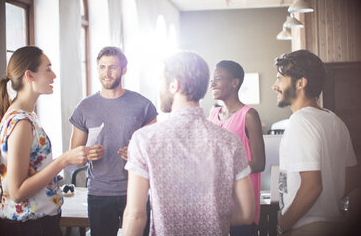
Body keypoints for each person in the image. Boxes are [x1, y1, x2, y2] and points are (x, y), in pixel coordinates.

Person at [122, 51, 255, 236]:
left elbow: (135, 216)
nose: (159, 87)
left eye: (161, 80)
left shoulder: (145, 140)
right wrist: (209, 218)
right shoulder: (230, 142)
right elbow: (247, 213)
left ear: (174, 85)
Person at [0, 46, 92, 236]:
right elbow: (18, 192)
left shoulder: (26, 116)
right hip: (31, 227)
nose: (54, 75)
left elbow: (33, 170)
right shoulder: (21, 122)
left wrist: (69, 158)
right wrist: (64, 160)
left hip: (37, 223)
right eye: (48, 69)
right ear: (30, 76)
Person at [69, 46, 157, 236]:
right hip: (99, 193)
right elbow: (75, 156)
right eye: (102, 67)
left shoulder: (143, 106)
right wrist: (87, 153)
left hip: (136, 190)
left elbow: (155, 153)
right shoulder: (85, 107)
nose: (106, 73)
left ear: (124, 70)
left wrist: (137, 155)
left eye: (112, 67)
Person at [272, 50, 358, 236]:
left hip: (307, 228)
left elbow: (312, 186)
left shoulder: (300, 121)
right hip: (334, 226)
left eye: (280, 78)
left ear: (301, 83)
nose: (274, 86)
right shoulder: (335, 120)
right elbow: (351, 179)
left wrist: (282, 225)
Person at [209, 60, 265, 236]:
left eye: (218, 79)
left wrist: (222, 168)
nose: (212, 83)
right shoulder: (212, 115)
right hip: (217, 204)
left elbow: (259, 163)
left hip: (242, 206)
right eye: (212, 79)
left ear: (235, 83)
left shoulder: (249, 115)